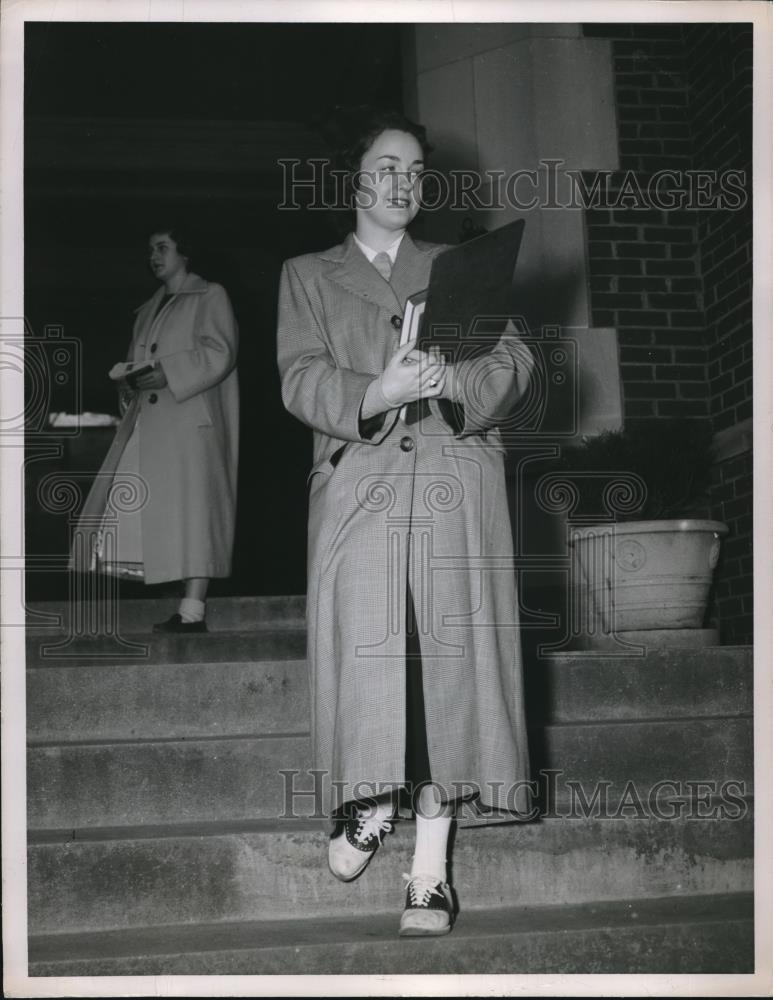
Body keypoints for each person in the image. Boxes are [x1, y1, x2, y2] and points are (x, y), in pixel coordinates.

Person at [277, 109, 534, 937]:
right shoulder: (307, 275)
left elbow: (513, 362)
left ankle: (430, 874)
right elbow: (299, 375)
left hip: (456, 482)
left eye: (415, 169)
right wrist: (376, 392)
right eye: (386, 166)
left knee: (445, 676)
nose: (402, 182)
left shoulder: (460, 264)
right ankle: (369, 797)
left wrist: (452, 382)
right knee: (373, 660)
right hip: (363, 484)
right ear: (351, 178)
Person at [71, 225, 239, 632]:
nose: (154, 256)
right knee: (158, 513)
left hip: (191, 428)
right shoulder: (147, 309)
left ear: (186, 253)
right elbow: (136, 362)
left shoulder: (209, 295)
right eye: (150, 249)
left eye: (162, 247)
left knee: (196, 516)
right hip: (153, 426)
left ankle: (193, 611)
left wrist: (168, 372)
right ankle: (177, 602)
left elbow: (221, 352)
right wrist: (128, 386)